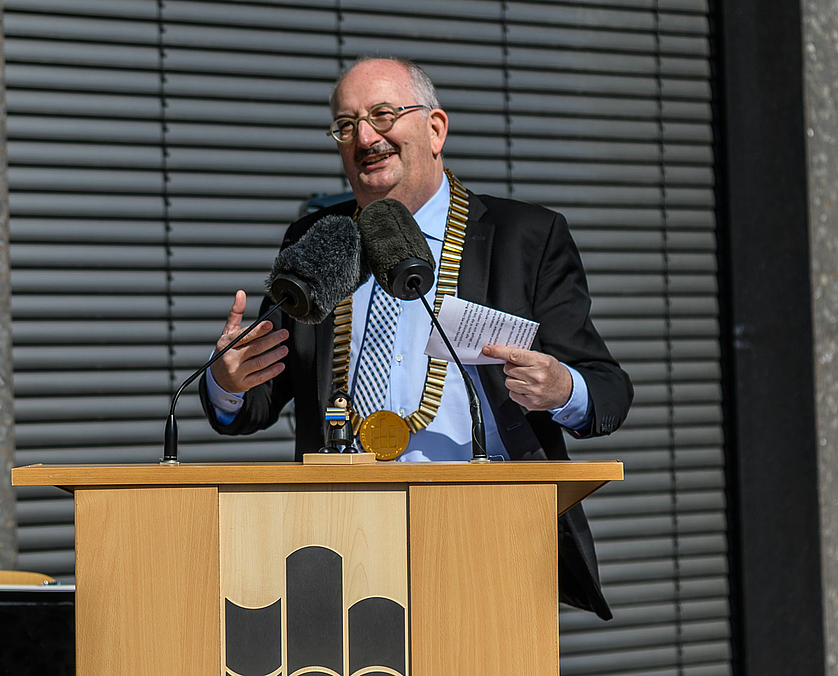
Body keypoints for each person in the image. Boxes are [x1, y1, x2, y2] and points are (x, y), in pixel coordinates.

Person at [198, 56, 634, 619]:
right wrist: (226, 380)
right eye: (346, 124)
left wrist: (560, 388)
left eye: (383, 114)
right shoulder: (316, 239)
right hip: (340, 542)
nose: (365, 137)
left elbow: (608, 390)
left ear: (435, 129)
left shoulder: (526, 237)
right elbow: (254, 400)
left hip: (487, 533)